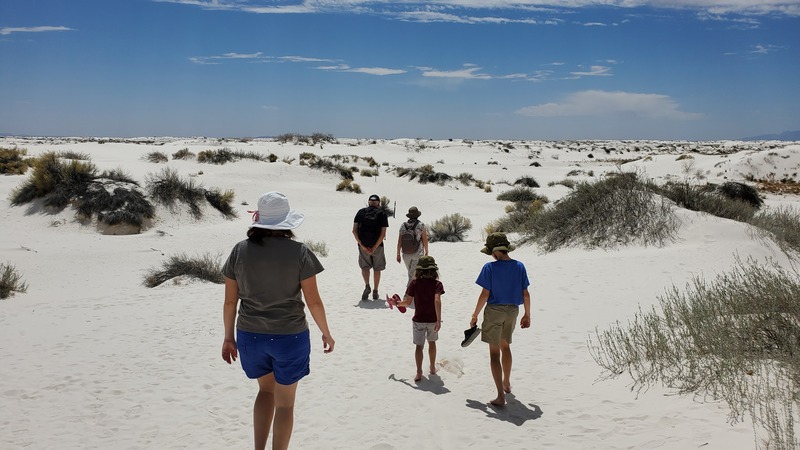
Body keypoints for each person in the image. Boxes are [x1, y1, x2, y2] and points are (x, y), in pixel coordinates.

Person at [221, 191, 334, 450]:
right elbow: (313, 301)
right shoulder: (300, 252)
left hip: (250, 335)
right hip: (289, 336)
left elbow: (230, 301)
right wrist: (326, 333)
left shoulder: (239, 250)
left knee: (265, 391)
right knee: (285, 403)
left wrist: (228, 337)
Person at [468, 232, 531, 407]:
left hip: (495, 310)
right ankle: (507, 383)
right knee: (506, 346)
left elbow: (484, 294)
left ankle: (500, 396)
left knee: (494, 353)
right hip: (513, 310)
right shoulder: (520, 266)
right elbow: (525, 293)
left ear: (495, 252)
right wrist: (527, 314)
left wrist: (475, 315)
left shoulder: (489, 268)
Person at [395, 255, 443, 382]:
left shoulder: (414, 283)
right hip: (432, 320)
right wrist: (438, 319)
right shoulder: (437, 284)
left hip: (418, 320)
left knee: (419, 346)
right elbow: (437, 300)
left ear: (419, 270)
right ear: (433, 270)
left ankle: (419, 372)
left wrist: (397, 304)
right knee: (432, 343)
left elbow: (407, 302)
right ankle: (432, 367)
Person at [352, 194, 389, 300]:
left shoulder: (361, 212)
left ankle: (367, 285)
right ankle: (375, 291)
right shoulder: (382, 213)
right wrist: (375, 247)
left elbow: (354, 231)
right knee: (377, 268)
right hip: (378, 246)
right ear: (378, 203)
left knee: (365, 267)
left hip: (363, 245)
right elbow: (383, 233)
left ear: (368, 202)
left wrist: (362, 245)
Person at [395, 206, 429, 286]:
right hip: (418, 253)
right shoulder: (421, 225)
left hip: (406, 253)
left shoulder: (403, 225)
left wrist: (398, 254)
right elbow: (424, 240)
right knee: (412, 274)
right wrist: (427, 251)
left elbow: (399, 241)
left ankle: (413, 293)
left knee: (411, 273)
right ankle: (408, 294)